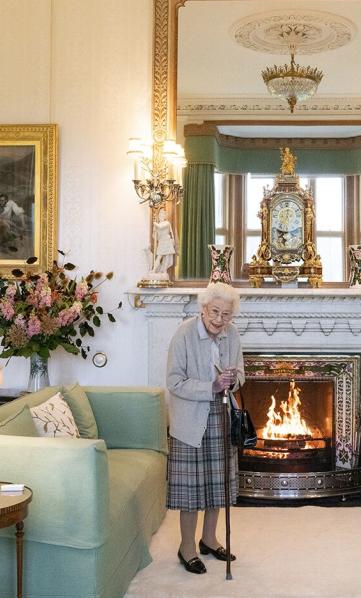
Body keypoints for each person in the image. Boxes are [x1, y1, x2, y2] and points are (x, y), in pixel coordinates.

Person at [166, 282, 244, 574]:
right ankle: (186, 547)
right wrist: (211, 386)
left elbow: (241, 374)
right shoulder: (184, 333)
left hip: (222, 416)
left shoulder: (232, 334)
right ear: (203, 308)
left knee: (217, 484)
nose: (219, 320)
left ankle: (209, 539)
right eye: (215, 312)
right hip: (190, 420)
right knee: (192, 490)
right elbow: (174, 382)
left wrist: (232, 380)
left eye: (226, 314)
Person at [152, 208, 177, 273]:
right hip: (161, 242)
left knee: (166, 257)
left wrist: (155, 223)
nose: (161, 216)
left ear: (165, 216)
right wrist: (154, 231)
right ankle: (154, 270)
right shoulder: (158, 224)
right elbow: (155, 237)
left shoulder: (167, 223)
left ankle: (164, 271)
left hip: (167, 241)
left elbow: (161, 227)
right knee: (159, 257)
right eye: (160, 214)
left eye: (162, 214)